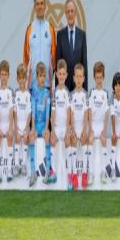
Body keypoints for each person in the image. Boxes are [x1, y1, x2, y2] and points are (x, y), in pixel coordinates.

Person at [23, 0, 56, 91]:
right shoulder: (29, 29)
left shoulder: (50, 29)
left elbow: (54, 58)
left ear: (45, 6)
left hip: (47, 86)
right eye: (37, 4)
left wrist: (51, 81)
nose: (40, 6)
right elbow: (25, 59)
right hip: (32, 86)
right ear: (34, 7)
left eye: (42, 3)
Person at [56, 0, 88, 91]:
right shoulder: (60, 35)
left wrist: (85, 89)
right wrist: (57, 88)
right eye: (68, 11)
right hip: (63, 86)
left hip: (78, 86)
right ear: (65, 14)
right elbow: (58, 63)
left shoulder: (82, 35)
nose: (70, 14)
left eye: (72, 11)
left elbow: (84, 63)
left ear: (75, 13)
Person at [29, 62, 53, 186]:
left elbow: (48, 113)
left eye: (44, 76)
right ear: (37, 77)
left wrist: (46, 128)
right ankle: (33, 172)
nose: (42, 78)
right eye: (40, 76)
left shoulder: (47, 93)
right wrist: (33, 128)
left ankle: (48, 171)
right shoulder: (34, 92)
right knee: (31, 137)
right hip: (36, 124)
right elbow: (33, 111)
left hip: (43, 124)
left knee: (47, 137)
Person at [50, 59, 72, 188]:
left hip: (65, 127)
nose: (62, 76)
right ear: (57, 75)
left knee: (68, 144)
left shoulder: (67, 93)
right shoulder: (55, 93)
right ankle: (53, 172)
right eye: (60, 74)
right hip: (57, 127)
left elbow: (69, 112)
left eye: (64, 74)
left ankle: (69, 178)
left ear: (66, 75)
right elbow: (53, 111)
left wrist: (68, 129)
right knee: (52, 141)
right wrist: (52, 130)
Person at [88, 61, 110, 185]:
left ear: (103, 77)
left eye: (101, 77)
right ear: (94, 78)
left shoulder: (105, 94)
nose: (99, 80)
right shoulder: (92, 93)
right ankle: (91, 173)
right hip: (93, 125)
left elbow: (106, 113)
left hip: (101, 125)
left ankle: (103, 172)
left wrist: (104, 130)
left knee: (103, 143)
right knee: (90, 143)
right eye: (97, 78)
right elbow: (89, 112)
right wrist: (90, 130)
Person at [0, 60, 15, 183]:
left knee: (10, 138)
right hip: (0, 124)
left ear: (9, 76)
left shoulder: (11, 91)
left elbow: (12, 111)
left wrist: (11, 128)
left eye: (6, 74)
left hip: (8, 124)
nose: (4, 77)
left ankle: (10, 170)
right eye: (2, 74)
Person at [69, 63, 89, 189]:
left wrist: (84, 130)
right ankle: (75, 175)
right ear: (73, 78)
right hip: (74, 126)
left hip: (82, 126)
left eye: (81, 76)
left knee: (84, 144)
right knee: (73, 146)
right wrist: (72, 130)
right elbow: (70, 113)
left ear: (84, 79)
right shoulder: (71, 95)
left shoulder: (85, 95)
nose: (78, 79)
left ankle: (85, 174)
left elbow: (86, 114)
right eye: (77, 76)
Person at [12, 64, 31, 177]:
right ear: (17, 79)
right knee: (17, 138)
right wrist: (15, 126)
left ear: (26, 78)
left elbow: (29, 112)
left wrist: (27, 127)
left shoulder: (28, 94)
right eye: (19, 78)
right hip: (18, 124)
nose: (21, 80)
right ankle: (16, 165)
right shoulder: (15, 94)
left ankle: (23, 164)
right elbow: (14, 111)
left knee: (25, 139)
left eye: (23, 78)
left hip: (25, 124)